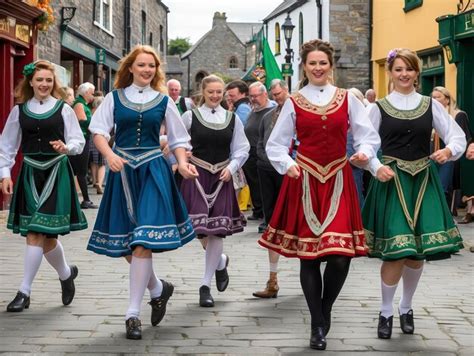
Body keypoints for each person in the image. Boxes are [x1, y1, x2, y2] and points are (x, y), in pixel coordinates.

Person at [258, 39, 381, 350]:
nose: (317, 68)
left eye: (322, 63)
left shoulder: (347, 99)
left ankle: (325, 310)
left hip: (339, 176)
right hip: (304, 180)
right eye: (312, 63)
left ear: (330, 66)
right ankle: (316, 323)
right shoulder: (295, 101)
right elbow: (276, 143)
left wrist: (365, 154)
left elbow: (368, 136)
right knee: (310, 256)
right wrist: (287, 165)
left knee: (340, 258)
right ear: (304, 66)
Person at [86, 45, 198, 340]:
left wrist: (183, 165)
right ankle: (159, 289)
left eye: (152, 66)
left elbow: (178, 139)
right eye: (142, 65)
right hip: (122, 170)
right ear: (131, 68)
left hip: (152, 172)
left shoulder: (163, 100)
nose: (147, 70)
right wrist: (109, 154)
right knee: (127, 244)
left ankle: (132, 314)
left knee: (142, 241)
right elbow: (97, 130)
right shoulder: (114, 98)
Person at [362, 48, 466, 341]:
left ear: (416, 73)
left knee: (417, 253)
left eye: (409, 69)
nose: (404, 74)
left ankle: (406, 307)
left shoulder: (430, 106)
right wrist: (375, 165)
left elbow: (456, 136)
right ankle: (385, 311)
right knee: (396, 250)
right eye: (398, 69)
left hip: (423, 179)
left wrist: (448, 150)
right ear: (390, 73)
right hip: (392, 181)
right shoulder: (378, 107)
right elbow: (367, 143)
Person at [0, 60, 87, 312]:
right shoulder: (19, 111)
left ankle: (24, 291)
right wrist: (5, 174)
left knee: (38, 233)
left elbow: (77, 141)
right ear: (31, 82)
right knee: (44, 237)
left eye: (49, 80)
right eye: (40, 80)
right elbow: (6, 145)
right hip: (29, 173)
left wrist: (66, 147)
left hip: (56, 172)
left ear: (54, 83)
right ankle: (66, 274)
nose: (44, 84)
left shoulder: (63, 109)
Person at [180, 75, 249, 307]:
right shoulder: (190, 116)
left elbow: (242, 148)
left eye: (220, 92)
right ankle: (220, 262)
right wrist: (184, 156)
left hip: (222, 176)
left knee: (217, 230)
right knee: (200, 230)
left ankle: (205, 285)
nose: (215, 95)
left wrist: (231, 168)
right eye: (211, 92)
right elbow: (177, 141)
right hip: (197, 176)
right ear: (203, 91)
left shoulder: (231, 119)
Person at [252, 79, 289, 299]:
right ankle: (272, 280)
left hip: (292, 173)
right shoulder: (269, 116)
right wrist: (268, 160)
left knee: (297, 224)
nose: (277, 98)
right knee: (272, 222)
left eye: (279, 94)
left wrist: (286, 163)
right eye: (274, 95)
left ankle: (311, 275)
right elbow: (260, 143)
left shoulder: (298, 113)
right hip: (267, 170)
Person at [431, 86, 471, 216]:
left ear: (447, 100)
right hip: (433, 156)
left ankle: (445, 215)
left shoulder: (458, 115)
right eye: (433, 97)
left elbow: (464, 138)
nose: (435, 99)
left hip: (450, 157)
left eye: (438, 97)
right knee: (434, 188)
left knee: (444, 187)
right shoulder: (430, 115)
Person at [243, 82, 276, 225]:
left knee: (265, 186)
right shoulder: (253, 110)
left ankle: (265, 212)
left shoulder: (273, 110)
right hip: (251, 152)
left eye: (256, 96)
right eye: (251, 96)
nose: (253, 99)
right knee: (254, 184)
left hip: (264, 153)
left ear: (264, 94)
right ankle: (258, 210)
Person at [69, 82, 98, 209]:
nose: (93, 96)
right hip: (81, 139)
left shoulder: (82, 103)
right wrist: (95, 122)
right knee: (81, 171)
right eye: (92, 93)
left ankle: (84, 199)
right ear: (86, 93)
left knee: (80, 171)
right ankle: (85, 200)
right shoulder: (79, 104)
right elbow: (82, 120)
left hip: (83, 138)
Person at [89, 95, 106, 194]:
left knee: (93, 161)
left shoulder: (91, 112)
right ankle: (100, 183)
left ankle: (95, 181)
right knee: (102, 163)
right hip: (102, 138)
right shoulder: (103, 113)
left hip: (91, 139)